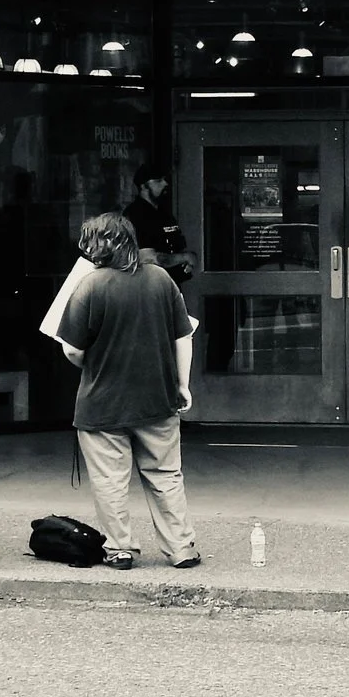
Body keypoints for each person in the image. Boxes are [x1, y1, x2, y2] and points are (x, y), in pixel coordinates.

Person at [60, 212, 200, 570]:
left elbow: (73, 349)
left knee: (110, 481)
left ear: (107, 243)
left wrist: (92, 365)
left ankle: (120, 548)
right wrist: (182, 384)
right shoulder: (161, 280)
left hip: (102, 403)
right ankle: (181, 548)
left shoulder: (89, 286)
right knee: (166, 475)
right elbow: (183, 336)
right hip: (158, 398)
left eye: (92, 241)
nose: (88, 248)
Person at [123, 173, 193, 287]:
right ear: (144, 186)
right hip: (148, 288)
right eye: (158, 180)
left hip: (171, 285)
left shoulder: (165, 214)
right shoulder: (136, 214)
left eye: (165, 179)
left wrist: (185, 262)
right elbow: (147, 258)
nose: (165, 184)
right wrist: (185, 257)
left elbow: (177, 246)